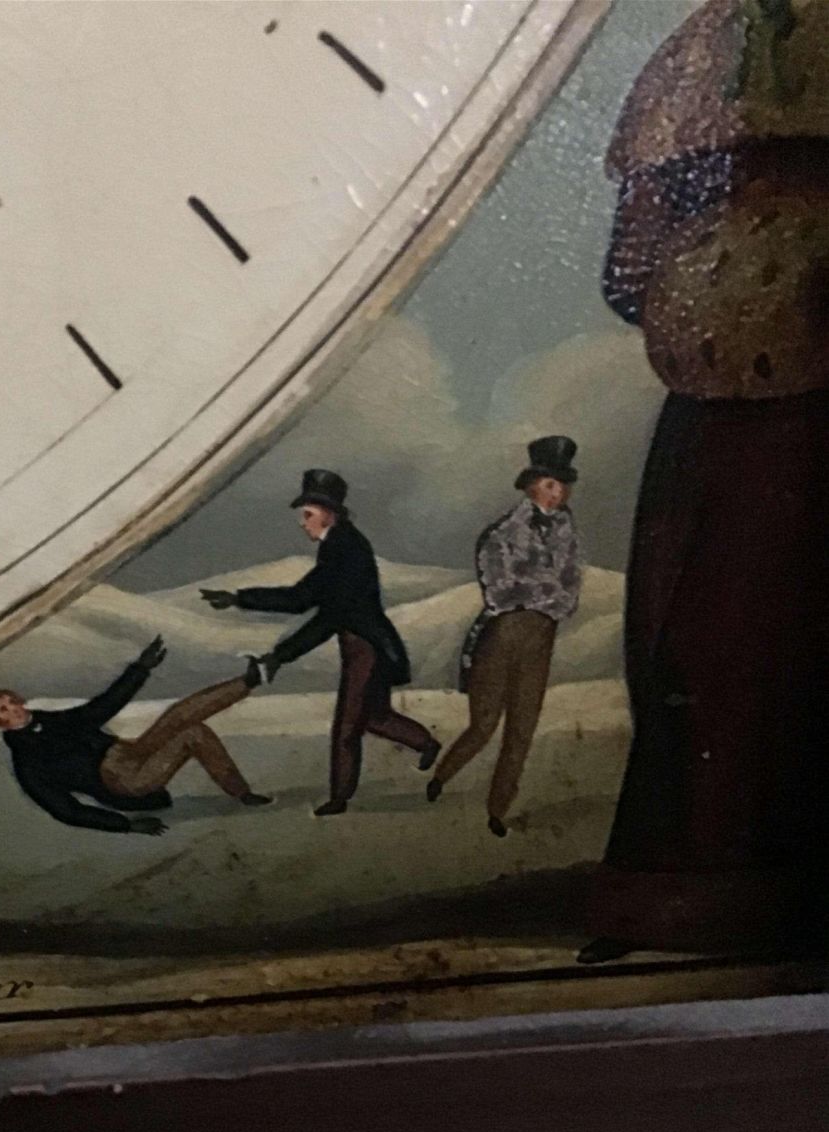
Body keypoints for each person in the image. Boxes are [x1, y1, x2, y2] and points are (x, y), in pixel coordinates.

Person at [579, 0, 829, 963]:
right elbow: (631, 265)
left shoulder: (692, 54)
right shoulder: (692, 57)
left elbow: (629, 265)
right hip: (727, 415)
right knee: (714, 658)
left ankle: (699, 887)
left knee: (714, 654)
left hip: (735, 415)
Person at [202, 469, 440, 816]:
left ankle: (339, 798)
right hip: (367, 643)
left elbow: (327, 615)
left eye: (308, 514)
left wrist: (280, 655)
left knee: (347, 726)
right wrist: (239, 598)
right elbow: (302, 597)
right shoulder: (339, 545)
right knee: (373, 717)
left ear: (329, 513)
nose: (303, 523)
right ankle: (426, 743)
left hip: (366, 647)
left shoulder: (345, 548)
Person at [426, 437, 582, 836]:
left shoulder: (566, 530)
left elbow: (570, 589)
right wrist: (544, 592)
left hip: (541, 637)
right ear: (531, 485)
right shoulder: (500, 533)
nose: (558, 493)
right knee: (484, 724)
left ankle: (497, 810)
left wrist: (542, 596)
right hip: (501, 636)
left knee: (522, 730)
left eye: (563, 486)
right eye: (550, 484)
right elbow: (500, 591)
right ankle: (442, 776)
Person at [0, 636, 270, 834]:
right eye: (3, 710)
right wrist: (126, 826)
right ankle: (243, 794)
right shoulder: (26, 760)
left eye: (12, 702)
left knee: (178, 716)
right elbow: (66, 811)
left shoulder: (52, 720)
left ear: (21, 701)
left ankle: (248, 681)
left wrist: (140, 669)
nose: (13, 710)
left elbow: (102, 707)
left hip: (128, 752)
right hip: (122, 782)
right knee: (192, 734)